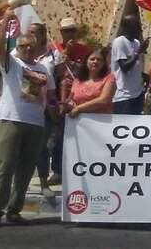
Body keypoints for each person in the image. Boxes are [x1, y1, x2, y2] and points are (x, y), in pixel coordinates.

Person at [0, 10, 51, 229]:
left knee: (25, 170)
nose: (27, 49)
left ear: (37, 47)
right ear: (18, 47)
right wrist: (6, 20)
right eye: (23, 46)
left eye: (31, 46)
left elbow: (47, 96)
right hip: (11, 120)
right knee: (5, 168)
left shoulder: (43, 69)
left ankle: (14, 210)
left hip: (36, 123)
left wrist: (56, 107)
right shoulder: (12, 64)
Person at [48, 17, 91, 186]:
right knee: (59, 136)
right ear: (61, 32)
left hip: (79, 97)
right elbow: (54, 73)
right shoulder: (54, 48)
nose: (70, 34)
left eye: (73, 30)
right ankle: (57, 171)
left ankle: (79, 170)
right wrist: (66, 52)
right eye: (67, 31)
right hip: (59, 98)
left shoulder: (85, 50)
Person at [26, 23, 59, 199]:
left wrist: (54, 110)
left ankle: (44, 183)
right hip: (22, 109)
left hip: (43, 110)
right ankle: (19, 183)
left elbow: (55, 86)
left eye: (34, 32)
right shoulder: (17, 54)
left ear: (42, 35)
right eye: (28, 32)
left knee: (42, 148)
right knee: (20, 148)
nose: (30, 35)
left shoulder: (53, 56)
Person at [110, 15, 148, 115]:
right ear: (127, 27)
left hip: (138, 94)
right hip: (124, 96)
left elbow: (135, 67)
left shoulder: (137, 43)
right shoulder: (119, 42)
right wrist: (139, 51)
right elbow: (124, 67)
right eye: (136, 25)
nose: (139, 27)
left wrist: (143, 76)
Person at [61, 48, 115, 117]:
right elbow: (71, 101)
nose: (95, 61)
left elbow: (104, 100)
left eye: (99, 60)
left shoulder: (109, 78)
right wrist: (66, 103)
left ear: (103, 63)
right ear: (86, 62)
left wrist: (79, 108)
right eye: (92, 59)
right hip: (79, 120)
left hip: (101, 120)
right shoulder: (77, 81)